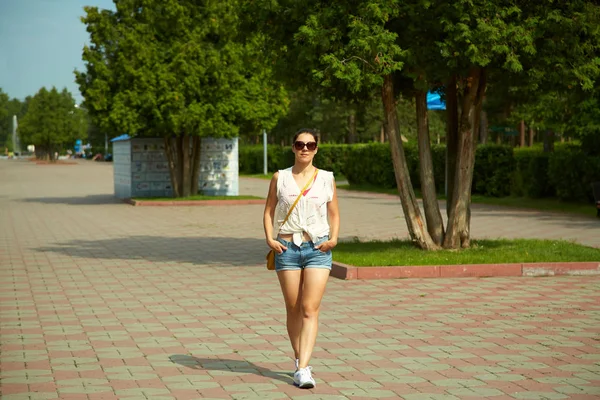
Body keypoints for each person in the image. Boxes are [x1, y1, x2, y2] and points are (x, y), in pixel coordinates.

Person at [263, 128, 340, 389]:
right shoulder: (280, 177)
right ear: (293, 148)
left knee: (310, 309)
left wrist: (334, 238)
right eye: (299, 144)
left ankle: (304, 369)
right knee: (293, 308)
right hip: (286, 248)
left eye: (310, 144)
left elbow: (335, 213)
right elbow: (268, 210)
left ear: (317, 148)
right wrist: (270, 239)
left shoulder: (327, 178)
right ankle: (299, 359)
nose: (304, 148)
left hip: (318, 248)